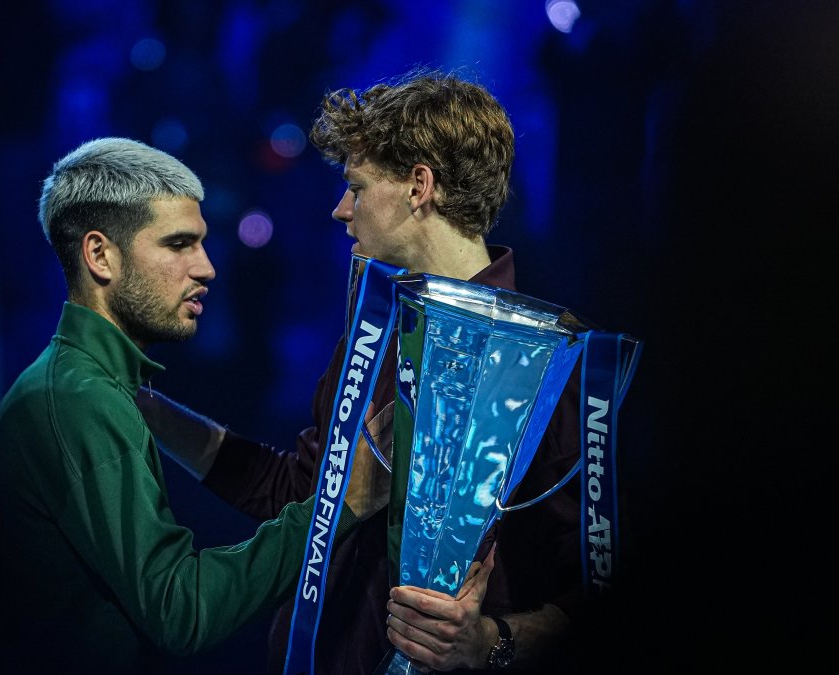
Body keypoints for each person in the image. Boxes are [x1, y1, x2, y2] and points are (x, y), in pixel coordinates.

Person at [138, 67, 588, 673]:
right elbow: (300, 495)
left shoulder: (560, 361)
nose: (339, 209)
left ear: (418, 187)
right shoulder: (374, 328)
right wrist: (145, 408)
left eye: (356, 185)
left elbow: (596, 585)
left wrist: (489, 644)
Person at [0, 137, 390, 673]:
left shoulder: (87, 389)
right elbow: (181, 611)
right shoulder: (79, 400)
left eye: (201, 242)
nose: (207, 268)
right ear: (100, 255)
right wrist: (341, 508)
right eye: (178, 245)